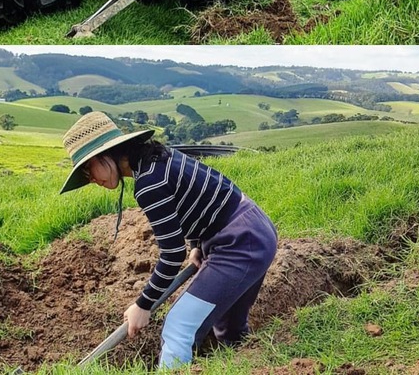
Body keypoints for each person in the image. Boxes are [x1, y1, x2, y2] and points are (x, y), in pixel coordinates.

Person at [60, 111, 278, 368]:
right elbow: (198, 197)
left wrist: (143, 305)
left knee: (178, 328)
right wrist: (198, 244)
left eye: (89, 170)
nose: (92, 180)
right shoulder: (160, 158)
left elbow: (173, 253)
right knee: (229, 328)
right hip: (252, 230)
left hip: (239, 243)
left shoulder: (149, 183)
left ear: (105, 155)